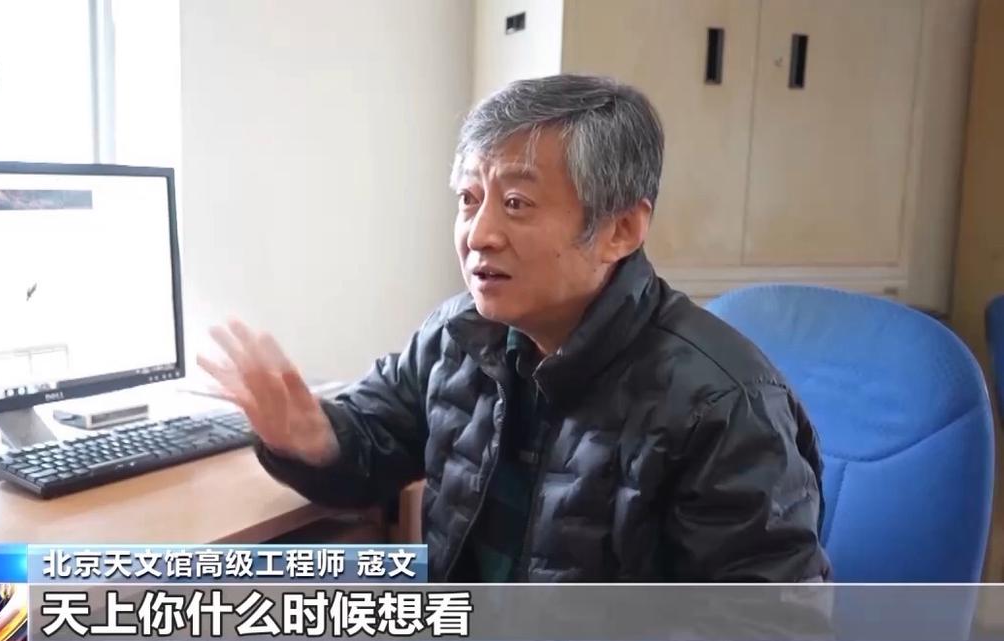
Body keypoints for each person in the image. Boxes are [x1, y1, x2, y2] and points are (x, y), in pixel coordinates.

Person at [197, 74, 831, 582]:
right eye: (469, 200)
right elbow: (373, 439)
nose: (478, 235)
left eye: (517, 204)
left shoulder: (722, 406)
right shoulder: (459, 335)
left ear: (620, 230)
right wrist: (313, 439)